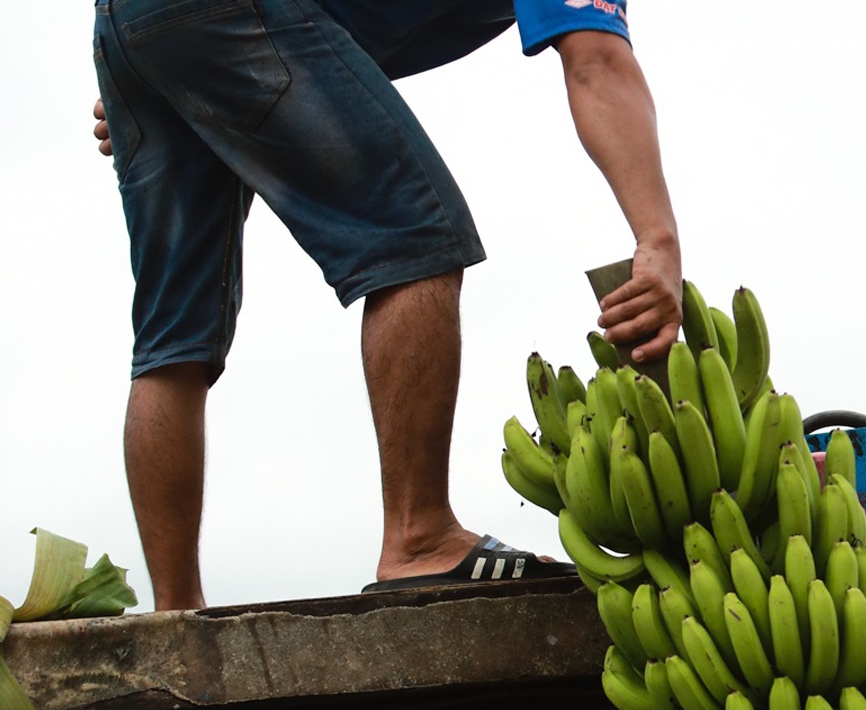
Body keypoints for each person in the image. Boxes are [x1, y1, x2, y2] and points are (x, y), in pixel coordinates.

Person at [92, 0, 682, 611]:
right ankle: (419, 539)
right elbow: (597, 63)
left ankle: (178, 611)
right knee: (417, 236)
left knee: (173, 337)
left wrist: (159, 59)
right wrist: (658, 240)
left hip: (134, 24)